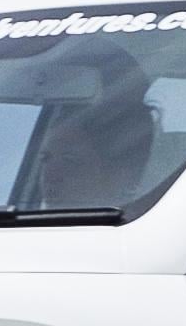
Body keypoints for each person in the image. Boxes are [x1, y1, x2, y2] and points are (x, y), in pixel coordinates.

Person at [16, 45, 158, 211]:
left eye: (70, 160)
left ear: (121, 174)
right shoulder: (18, 224)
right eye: (44, 159)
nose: (50, 175)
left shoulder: (154, 222)